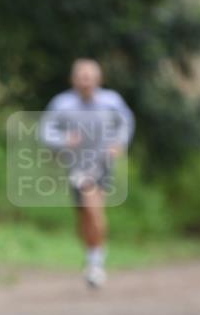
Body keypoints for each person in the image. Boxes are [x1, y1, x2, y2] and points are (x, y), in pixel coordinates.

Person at [40, 59, 134, 288]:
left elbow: (126, 122)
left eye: (90, 76)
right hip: (75, 166)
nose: (86, 81)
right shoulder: (62, 104)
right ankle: (93, 254)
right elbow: (45, 131)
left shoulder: (111, 101)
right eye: (81, 76)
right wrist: (64, 140)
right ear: (73, 79)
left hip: (101, 163)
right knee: (84, 216)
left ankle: (96, 262)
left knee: (93, 208)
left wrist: (119, 142)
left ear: (98, 79)